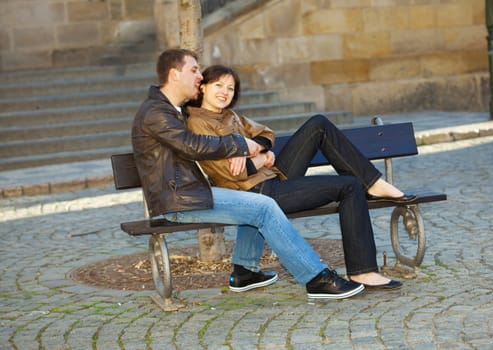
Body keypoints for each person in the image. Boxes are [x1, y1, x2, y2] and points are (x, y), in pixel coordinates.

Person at [131, 48, 365, 300]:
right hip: (179, 200)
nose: (199, 76)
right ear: (175, 74)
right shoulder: (157, 113)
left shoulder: (169, 109)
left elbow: (208, 142)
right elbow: (193, 145)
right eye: (194, 70)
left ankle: (245, 272)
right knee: (264, 207)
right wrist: (242, 145)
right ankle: (315, 278)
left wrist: (250, 149)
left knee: (253, 205)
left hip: (189, 192)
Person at [186, 64, 415, 289]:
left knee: (318, 124)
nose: (225, 92)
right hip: (258, 192)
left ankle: (373, 183)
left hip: (272, 176)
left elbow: (266, 134)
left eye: (230, 88)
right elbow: (233, 172)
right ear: (203, 87)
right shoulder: (198, 123)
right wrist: (262, 158)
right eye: (218, 85)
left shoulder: (230, 115)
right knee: (350, 187)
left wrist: (252, 147)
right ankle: (363, 271)